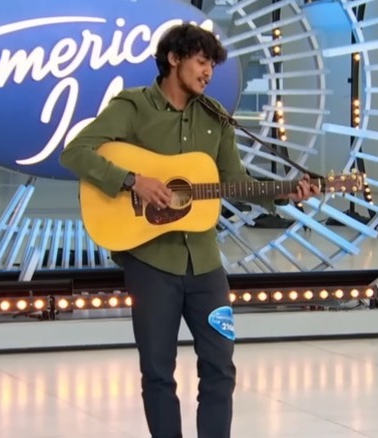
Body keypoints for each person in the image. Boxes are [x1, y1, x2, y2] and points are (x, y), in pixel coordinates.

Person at [59, 23, 321, 438]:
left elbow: (235, 180)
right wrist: (132, 181)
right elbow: (75, 152)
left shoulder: (215, 116)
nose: (207, 73)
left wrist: (285, 193)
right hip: (150, 261)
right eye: (201, 62)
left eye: (212, 65)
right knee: (158, 372)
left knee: (220, 367)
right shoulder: (133, 106)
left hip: (204, 263)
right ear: (174, 59)